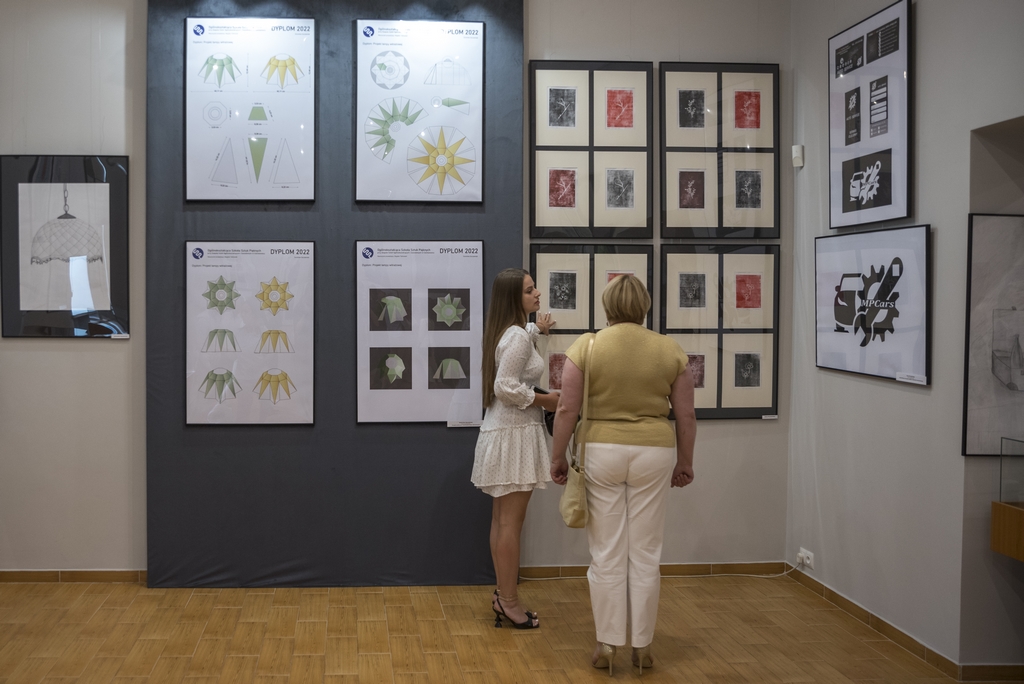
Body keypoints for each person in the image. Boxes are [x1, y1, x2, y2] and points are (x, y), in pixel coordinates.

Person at [550, 274, 696, 674]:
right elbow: (686, 415)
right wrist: (685, 462)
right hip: (654, 452)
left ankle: (608, 643)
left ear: (607, 305)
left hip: (601, 450)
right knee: (646, 552)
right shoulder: (669, 349)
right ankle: (643, 646)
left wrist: (557, 457)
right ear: (644, 306)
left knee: (607, 552)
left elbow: (567, 409)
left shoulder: (587, 346)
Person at [472, 267, 559, 629]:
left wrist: (538, 330)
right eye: (529, 290)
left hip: (504, 433)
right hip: (514, 434)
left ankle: (503, 595)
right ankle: (508, 601)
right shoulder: (518, 337)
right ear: (513, 298)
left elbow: (516, 366)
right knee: (510, 523)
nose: (537, 294)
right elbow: (505, 385)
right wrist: (546, 400)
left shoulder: (512, 332)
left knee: (502, 521)